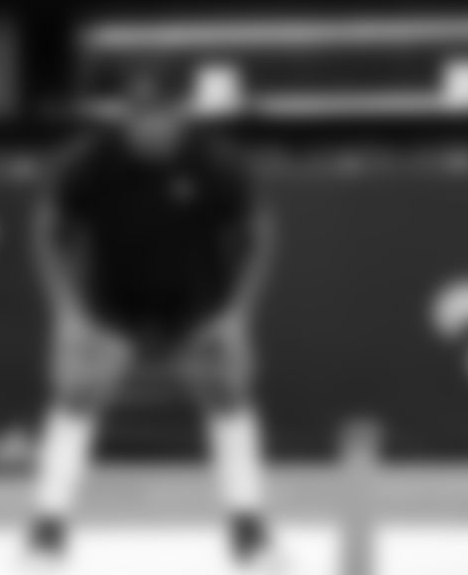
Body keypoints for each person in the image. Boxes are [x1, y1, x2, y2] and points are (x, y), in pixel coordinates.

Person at [22, 72, 283, 572]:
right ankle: (47, 531)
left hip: (197, 305)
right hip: (109, 305)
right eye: (138, 115)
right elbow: (45, 228)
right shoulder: (92, 159)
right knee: (75, 397)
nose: (149, 126)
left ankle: (248, 530)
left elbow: (262, 231)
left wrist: (237, 313)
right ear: (126, 116)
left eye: (160, 114)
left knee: (230, 397)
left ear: (180, 115)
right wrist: (67, 311)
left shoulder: (215, 162)